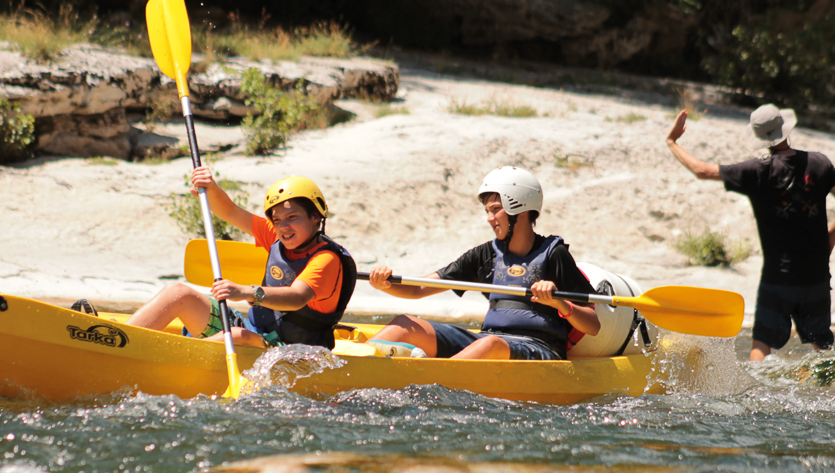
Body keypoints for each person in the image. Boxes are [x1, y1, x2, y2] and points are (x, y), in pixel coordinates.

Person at [366, 166, 600, 360]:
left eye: (496, 210)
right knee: (404, 324)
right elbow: (418, 288)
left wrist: (561, 303)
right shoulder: (485, 255)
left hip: (539, 347)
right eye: (488, 211)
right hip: (490, 340)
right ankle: (354, 365)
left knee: (491, 344)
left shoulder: (554, 254)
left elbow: (593, 325)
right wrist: (386, 284)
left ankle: (429, 383)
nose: (490, 219)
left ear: (519, 209)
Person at [665, 104, 835, 361]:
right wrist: (827, 241)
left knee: (761, 345)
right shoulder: (820, 163)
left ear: (760, 137)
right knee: (825, 349)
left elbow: (701, 170)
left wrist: (671, 142)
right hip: (817, 276)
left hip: (778, 278)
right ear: (785, 129)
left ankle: (754, 397)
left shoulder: (757, 171)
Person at [127, 167, 356, 350]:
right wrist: (211, 188)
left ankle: (164, 361)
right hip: (254, 330)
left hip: (291, 352)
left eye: (292, 217)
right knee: (179, 294)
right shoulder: (275, 236)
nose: (283, 227)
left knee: (236, 336)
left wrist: (247, 292)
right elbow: (231, 212)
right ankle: (118, 340)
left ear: (316, 217)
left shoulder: (327, 259)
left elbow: (297, 297)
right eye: (277, 220)